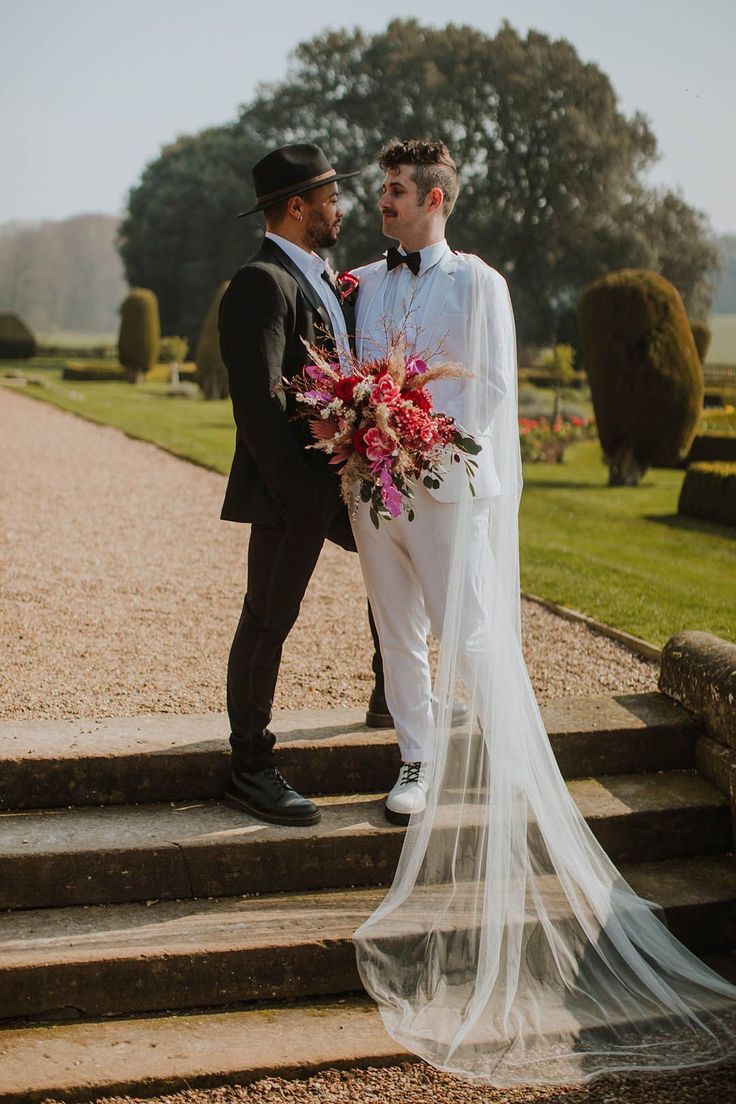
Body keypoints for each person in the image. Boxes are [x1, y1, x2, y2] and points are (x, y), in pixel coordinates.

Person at [351, 139, 736, 1084]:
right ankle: (415, 759)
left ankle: (502, 764)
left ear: (434, 198)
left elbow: (490, 390)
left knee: (469, 631)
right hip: (372, 483)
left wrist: (471, 489)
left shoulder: (480, 284)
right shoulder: (360, 281)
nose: (384, 206)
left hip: (444, 486)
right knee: (394, 627)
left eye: (396, 194)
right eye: (382, 194)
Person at [218, 143, 389, 828]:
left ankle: (391, 696)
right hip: (295, 492)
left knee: (398, 570)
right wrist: (299, 503)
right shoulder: (260, 282)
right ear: (297, 207)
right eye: (328, 198)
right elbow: (257, 405)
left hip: (348, 476)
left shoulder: (322, 276)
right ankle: (250, 768)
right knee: (267, 618)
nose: (339, 207)